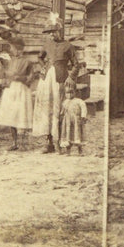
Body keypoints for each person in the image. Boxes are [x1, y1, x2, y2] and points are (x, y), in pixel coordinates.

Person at [40, 15, 76, 153]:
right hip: (47, 80)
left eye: (53, 31)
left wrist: (70, 77)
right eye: (49, 32)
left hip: (61, 80)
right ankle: (48, 142)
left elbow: (76, 65)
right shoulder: (47, 45)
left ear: (59, 31)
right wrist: (44, 67)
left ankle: (61, 141)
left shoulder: (68, 46)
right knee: (47, 109)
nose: (51, 34)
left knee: (59, 110)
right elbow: (40, 57)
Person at [0, 37, 35, 150]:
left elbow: (31, 77)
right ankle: (14, 142)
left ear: (19, 49)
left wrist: (21, 78)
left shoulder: (27, 62)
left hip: (22, 90)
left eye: (12, 48)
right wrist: (5, 81)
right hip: (11, 90)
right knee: (11, 115)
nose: (11, 50)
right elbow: (5, 74)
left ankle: (23, 143)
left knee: (21, 115)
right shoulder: (10, 61)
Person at [31, 52, 54, 151]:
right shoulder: (45, 68)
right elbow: (39, 57)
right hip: (45, 87)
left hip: (56, 83)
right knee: (45, 112)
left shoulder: (54, 69)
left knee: (55, 112)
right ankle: (47, 141)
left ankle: (55, 142)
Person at [59, 77, 88, 155]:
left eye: (71, 92)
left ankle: (80, 151)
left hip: (76, 121)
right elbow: (63, 111)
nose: (69, 95)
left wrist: (83, 116)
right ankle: (68, 151)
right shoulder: (65, 102)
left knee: (77, 134)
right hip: (67, 122)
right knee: (68, 135)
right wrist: (61, 116)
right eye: (67, 93)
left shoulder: (79, 101)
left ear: (75, 92)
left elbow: (83, 108)